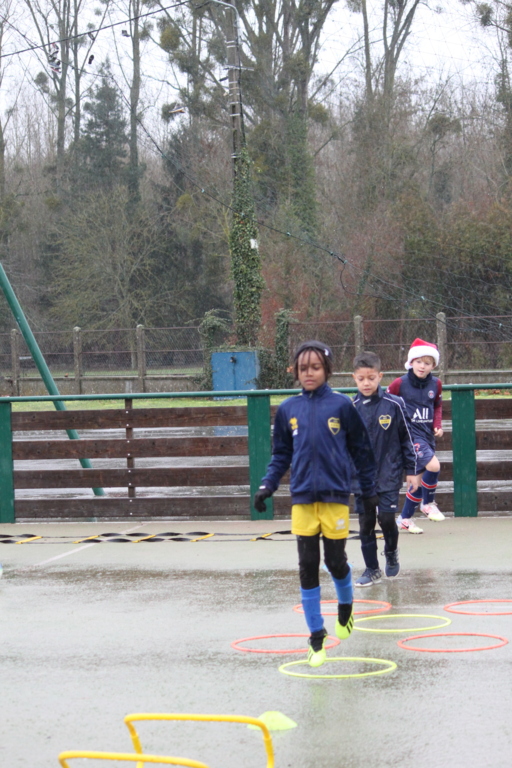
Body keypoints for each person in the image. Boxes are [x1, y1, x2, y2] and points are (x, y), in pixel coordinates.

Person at [253, 340, 378, 668]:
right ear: (295, 371)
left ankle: (346, 606)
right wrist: (267, 485)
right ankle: (316, 637)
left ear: (327, 370)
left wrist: (369, 492)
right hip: (303, 499)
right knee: (307, 565)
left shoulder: (342, 406)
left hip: (335, 498)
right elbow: (281, 455)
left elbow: (362, 452)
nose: (309, 373)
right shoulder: (288, 409)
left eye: (316, 368)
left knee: (335, 562)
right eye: (303, 368)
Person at [352, 351, 419, 586]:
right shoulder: (351, 407)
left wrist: (412, 471)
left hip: (389, 473)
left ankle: (391, 551)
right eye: (361, 379)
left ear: (380, 376)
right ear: (354, 378)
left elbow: (407, 438)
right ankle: (371, 569)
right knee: (365, 524)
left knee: (387, 519)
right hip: (362, 479)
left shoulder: (394, 404)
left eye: (371, 378)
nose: (366, 383)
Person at [387, 338, 444, 534]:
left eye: (427, 363)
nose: (422, 366)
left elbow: (437, 406)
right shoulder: (399, 383)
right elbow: (387, 401)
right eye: (419, 361)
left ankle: (405, 518)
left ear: (433, 366)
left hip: (426, 435)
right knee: (434, 466)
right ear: (411, 362)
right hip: (410, 436)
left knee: (416, 481)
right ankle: (428, 503)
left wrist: (437, 425)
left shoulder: (436, 384)